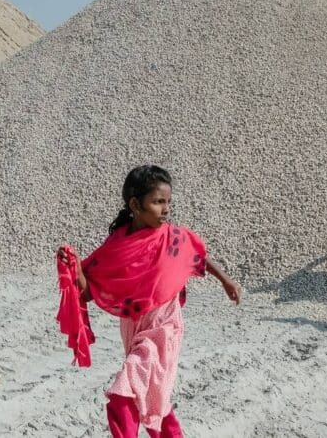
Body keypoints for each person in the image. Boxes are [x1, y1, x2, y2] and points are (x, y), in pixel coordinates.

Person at [56, 165, 241, 437]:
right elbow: (89, 289)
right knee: (154, 391)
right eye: (157, 202)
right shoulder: (118, 244)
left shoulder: (172, 237)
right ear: (135, 204)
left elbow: (196, 256)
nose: (166, 209)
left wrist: (226, 281)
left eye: (168, 202)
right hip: (135, 327)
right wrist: (73, 266)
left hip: (165, 328)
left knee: (125, 390)